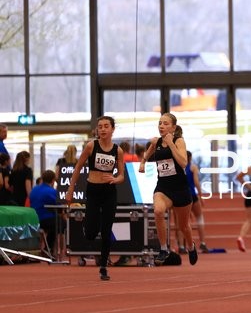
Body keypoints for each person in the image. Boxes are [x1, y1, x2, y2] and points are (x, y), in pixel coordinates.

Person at [66, 116, 125, 281]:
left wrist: (115, 179)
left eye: (106, 126)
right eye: (100, 127)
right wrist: (71, 189)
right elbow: (78, 168)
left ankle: (103, 267)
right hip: (93, 190)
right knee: (91, 234)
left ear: (113, 129)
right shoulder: (92, 146)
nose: (103, 129)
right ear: (97, 130)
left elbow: (122, 176)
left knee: (106, 232)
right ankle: (90, 224)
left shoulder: (118, 151)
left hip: (109, 192)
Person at [138, 113, 198, 266]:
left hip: (180, 189)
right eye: (160, 123)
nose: (161, 126)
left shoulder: (179, 141)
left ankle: (191, 246)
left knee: (183, 226)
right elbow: (150, 149)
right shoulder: (156, 141)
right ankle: (163, 248)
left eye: (165, 123)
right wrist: (143, 162)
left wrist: (171, 144)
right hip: (163, 187)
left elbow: (183, 163)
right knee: (158, 211)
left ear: (173, 127)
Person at [29, 170, 62, 257]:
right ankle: (49, 249)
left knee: (56, 223)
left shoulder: (34, 190)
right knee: (61, 223)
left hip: (33, 219)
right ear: (53, 180)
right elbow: (59, 204)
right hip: (44, 219)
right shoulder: (51, 191)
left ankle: (48, 249)